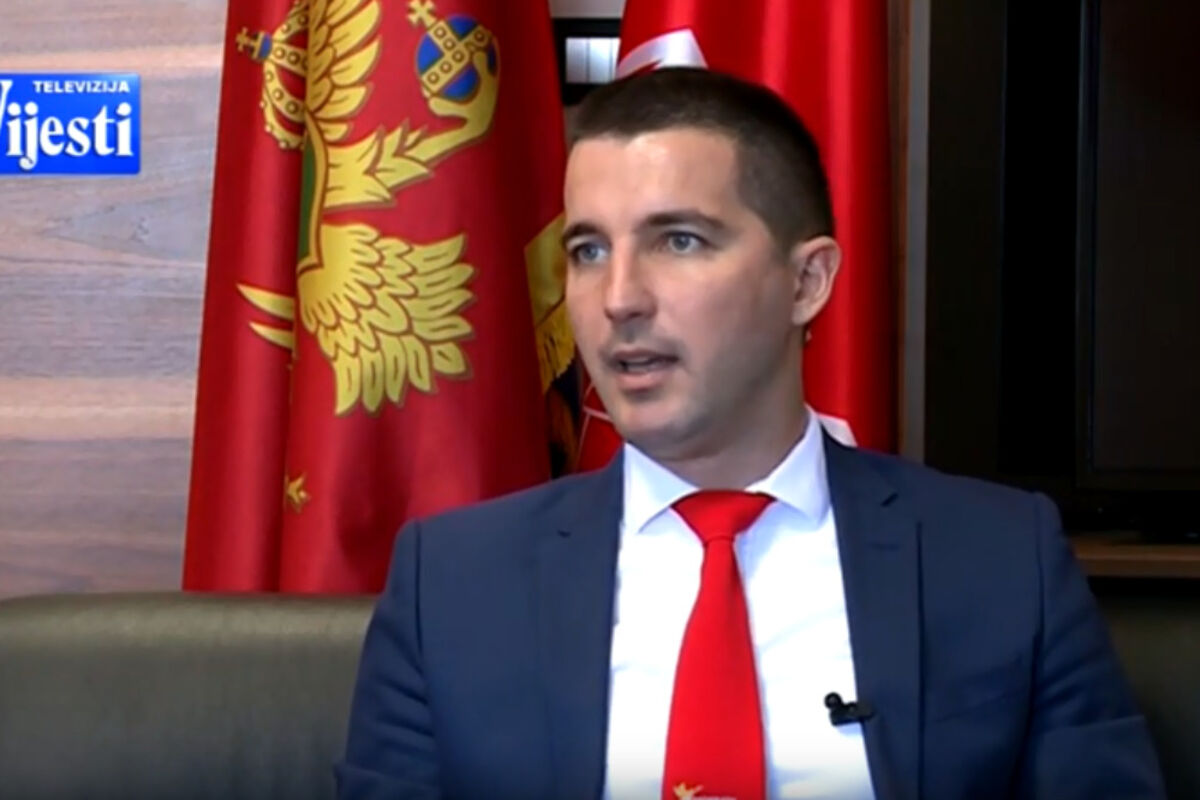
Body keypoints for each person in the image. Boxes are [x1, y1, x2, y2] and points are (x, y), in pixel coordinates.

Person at [334, 68, 1164, 800]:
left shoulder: (1002, 562)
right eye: (588, 251)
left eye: (679, 240)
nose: (619, 298)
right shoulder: (450, 585)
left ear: (806, 282)